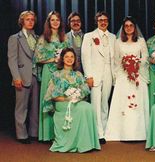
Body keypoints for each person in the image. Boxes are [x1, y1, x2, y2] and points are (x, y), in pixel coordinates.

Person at [44, 48, 100, 153]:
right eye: (67, 57)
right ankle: (77, 143)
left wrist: (77, 96)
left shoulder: (78, 74)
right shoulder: (56, 74)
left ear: (75, 59)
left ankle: (87, 143)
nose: (69, 59)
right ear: (62, 59)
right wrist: (68, 98)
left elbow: (84, 91)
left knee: (88, 107)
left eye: (72, 57)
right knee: (82, 108)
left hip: (76, 101)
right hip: (62, 102)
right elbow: (52, 96)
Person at [105, 16, 149, 141]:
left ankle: (139, 134)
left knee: (137, 103)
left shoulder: (140, 41)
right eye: (126, 26)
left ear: (134, 28)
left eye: (131, 26)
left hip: (138, 75)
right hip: (123, 76)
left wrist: (136, 64)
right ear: (123, 28)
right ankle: (122, 133)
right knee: (124, 104)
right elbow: (116, 60)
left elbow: (145, 56)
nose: (129, 28)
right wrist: (125, 68)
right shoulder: (118, 42)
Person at [81, 11, 116, 144]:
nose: (103, 22)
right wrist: (88, 75)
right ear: (96, 21)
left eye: (105, 20)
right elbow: (85, 57)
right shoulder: (89, 36)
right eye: (100, 20)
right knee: (95, 103)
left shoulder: (112, 37)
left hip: (108, 72)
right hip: (94, 74)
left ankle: (105, 130)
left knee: (104, 102)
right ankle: (97, 132)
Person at [35, 11, 69, 141]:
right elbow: (37, 58)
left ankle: (61, 134)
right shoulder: (43, 38)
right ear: (48, 22)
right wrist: (53, 59)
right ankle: (47, 134)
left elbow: (69, 55)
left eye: (57, 20)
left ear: (60, 22)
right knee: (48, 100)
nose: (55, 22)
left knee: (61, 101)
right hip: (48, 73)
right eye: (52, 20)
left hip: (61, 72)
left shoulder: (64, 38)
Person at [8, 11, 39, 144]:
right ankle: (21, 134)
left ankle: (34, 132)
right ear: (22, 21)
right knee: (21, 107)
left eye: (32, 19)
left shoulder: (38, 38)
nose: (30, 21)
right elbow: (12, 59)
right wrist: (16, 77)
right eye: (27, 19)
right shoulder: (15, 38)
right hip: (21, 76)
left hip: (36, 76)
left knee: (35, 106)